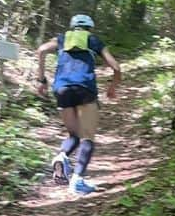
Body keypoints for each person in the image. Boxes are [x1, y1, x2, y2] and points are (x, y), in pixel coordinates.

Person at [34, 13, 121, 194]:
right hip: (84, 89)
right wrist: (112, 87)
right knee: (87, 137)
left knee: (73, 135)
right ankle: (78, 180)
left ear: (73, 27)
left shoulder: (62, 38)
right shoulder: (93, 40)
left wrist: (41, 80)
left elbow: (41, 50)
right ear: (89, 28)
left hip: (62, 89)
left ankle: (61, 156)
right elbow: (116, 67)